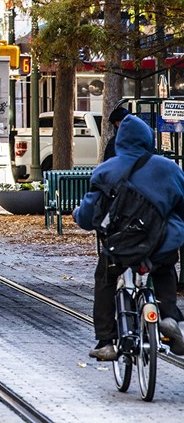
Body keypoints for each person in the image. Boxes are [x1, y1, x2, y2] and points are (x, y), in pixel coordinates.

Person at [73, 114, 184, 360]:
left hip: (119, 246)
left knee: (105, 279)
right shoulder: (170, 169)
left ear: (120, 141)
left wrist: (77, 214)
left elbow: (88, 215)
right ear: (148, 140)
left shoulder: (105, 170)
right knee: (164, 268)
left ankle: (106, 341)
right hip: (160, 243)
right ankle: (168, 316)